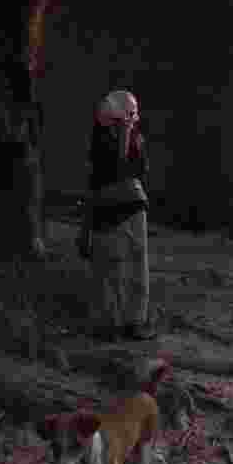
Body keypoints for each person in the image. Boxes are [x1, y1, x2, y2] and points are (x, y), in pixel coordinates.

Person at [79, 89, 155, 342]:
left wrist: (127, 134)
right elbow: (105, 174)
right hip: (113, 207)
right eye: (129, 116)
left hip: (127, 206)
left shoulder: (133, 139)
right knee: (113, 269)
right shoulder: (103, 140)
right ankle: (114, 323)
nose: (132, 121)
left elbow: (130, 170)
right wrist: (85, 227)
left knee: (131, 267)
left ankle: (130, 323)